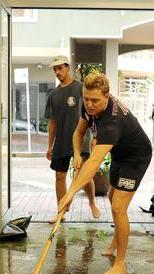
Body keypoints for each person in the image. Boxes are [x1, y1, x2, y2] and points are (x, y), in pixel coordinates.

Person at [58, 73, 152, 274]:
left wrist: (70, 193)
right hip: (119, 152)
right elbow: (79, 132)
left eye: (95, 101)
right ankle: (116, 242)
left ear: (107, 97)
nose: (89, 105)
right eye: (86, 99)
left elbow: (93, 164)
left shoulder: (112, 123)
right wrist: (76, 154)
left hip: (136, 157)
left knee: (119, 207)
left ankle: (121, 264)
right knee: (111, 198)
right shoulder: (88, 106)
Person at [45, 55, 100, 224]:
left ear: (68, 67)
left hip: (81, 139)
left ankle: (92, 203)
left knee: (83, 174)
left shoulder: (81, 88)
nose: (57, 72)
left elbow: (93, 114)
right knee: (59, 176)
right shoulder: (53, 94)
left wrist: (95, 137)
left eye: (60, 68)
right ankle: (60, 212)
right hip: (61, 141)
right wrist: (50, 145)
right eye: (55, 69)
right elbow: (52, 122)